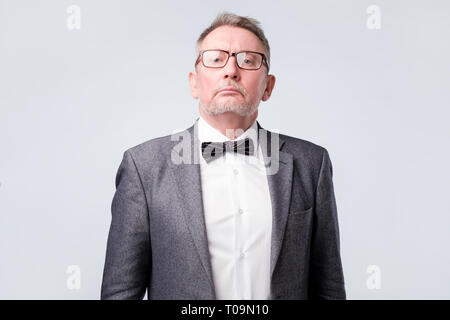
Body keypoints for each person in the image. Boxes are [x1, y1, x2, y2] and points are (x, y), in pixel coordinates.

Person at [101, 12, 346, 300]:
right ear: (194, 82)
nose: (231, 70)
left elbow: (328, 287)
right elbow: (120, 291)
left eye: (248, 60)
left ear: (268, 86)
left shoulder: (311, 164)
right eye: (216, 59)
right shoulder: (143, 167)